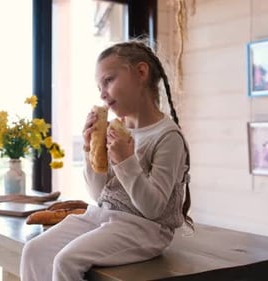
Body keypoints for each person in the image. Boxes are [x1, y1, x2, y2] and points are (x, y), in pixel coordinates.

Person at [20, 38, 193, 281]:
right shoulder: (118, 129)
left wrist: (125, 160)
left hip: (146, 230)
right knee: (34, 250)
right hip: (104, 216)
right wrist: (91, 148)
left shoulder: (167, 136)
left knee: (66, 260)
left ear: (141, 72)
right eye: (99, 87)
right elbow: (98, 193)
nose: (102, 94)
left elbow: (153, 209)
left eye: (108, 80)